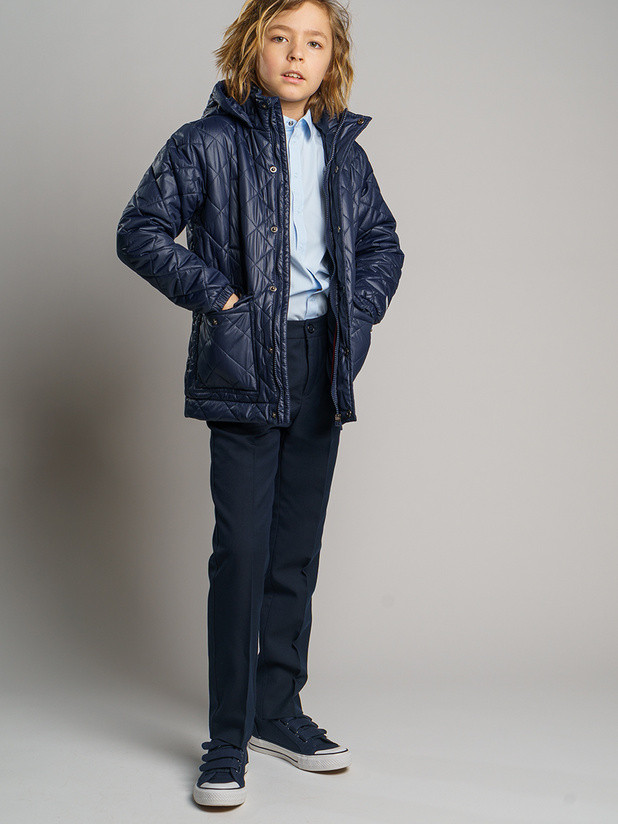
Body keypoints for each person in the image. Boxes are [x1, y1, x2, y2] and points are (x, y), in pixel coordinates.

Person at [116, 0, 404, 808]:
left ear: (331, 59)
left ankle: (278, 711)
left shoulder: (344, 153)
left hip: (321, 362)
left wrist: (359, 313)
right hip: (246, 362)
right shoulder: (206, 142)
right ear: (253, 46)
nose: (296, 54)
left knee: (294, 552)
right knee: (242, 551)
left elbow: (382, 243)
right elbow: (140, 229)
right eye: (280, 37)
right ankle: (226, 737)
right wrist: (221, 298)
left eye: (314, 42)